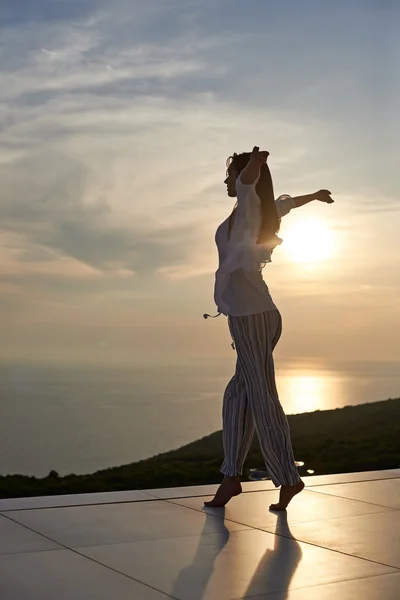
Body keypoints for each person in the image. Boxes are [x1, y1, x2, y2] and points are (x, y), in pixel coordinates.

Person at [203, 146, 334, 510]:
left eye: (230, 174)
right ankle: (231, 476)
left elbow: (248, 186)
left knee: (260, 397)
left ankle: (287, 478)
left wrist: (254, 167)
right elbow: (284, 205)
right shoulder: (254, 214)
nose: (227, 180)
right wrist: (316, 196)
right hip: (248, 316)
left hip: (254, 316)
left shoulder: (248, 207)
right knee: (238, 397)